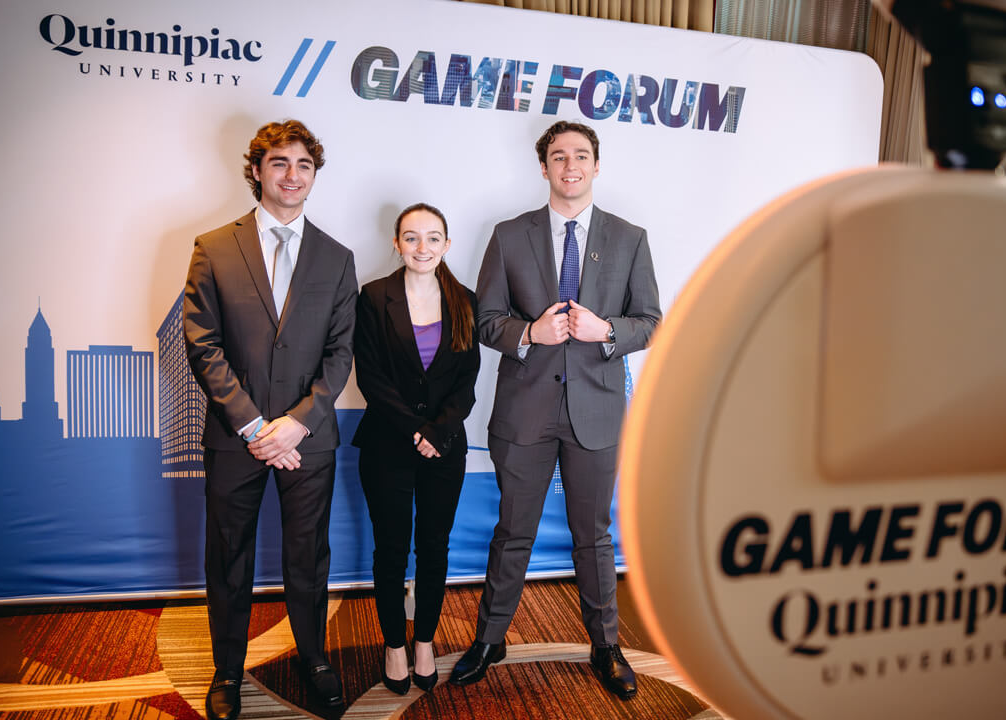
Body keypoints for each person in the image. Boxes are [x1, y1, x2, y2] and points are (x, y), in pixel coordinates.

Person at [448, 120, 662, 700]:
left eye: (582, 156)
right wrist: (530, 333)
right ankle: (490, 639)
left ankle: (606, 645)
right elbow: (486, 321)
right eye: (559, 156)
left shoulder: (629, 237)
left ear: (597, 165)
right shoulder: (509, 235)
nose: (571, 165)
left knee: (592, 535)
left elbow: (650, 321)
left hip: (595, 412)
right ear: (542, 168)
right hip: (525, 412)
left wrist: (606, 329)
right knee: (512, 530)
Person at [183, 119, 356, 720]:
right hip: (238, 439)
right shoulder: (213, 247)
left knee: (308, 557)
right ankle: (227, 670)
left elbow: (340, 352)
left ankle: (313, 660)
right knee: (229, 555)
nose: (292, 175)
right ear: (256, 170)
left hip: (309, 440)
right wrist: (256, 428)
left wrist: (299, 424)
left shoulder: (337, 258)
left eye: (304, 165)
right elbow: (202, 345)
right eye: (280, 163)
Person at [351, 203, 481, 695]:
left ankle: (423, 638)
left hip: (445, 448)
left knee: (433, 546)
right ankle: (394, 644)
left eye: (432, 238)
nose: (421, 248)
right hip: (387, 443)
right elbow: (370, 377)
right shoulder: (373, 297)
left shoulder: (466, 299)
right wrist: (414, 430)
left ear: (447, 245)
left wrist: (438, 432)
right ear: (396, 243)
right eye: (411, 238)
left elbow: (467, 382)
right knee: (390, 550)